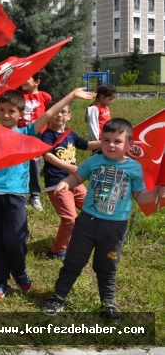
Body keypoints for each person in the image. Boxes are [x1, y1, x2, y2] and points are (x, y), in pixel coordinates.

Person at [0, 71, 95, 297]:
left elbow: (49, 112)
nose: (5, 114)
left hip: (16, 194)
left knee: (16, 237)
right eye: (2, 110)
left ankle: (19, 271)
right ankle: (0, 280)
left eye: (11, 111)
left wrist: (71, 95)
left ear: (21, 114)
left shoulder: (28, 132)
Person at [43, 118, 165, 320]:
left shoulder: (134, 168)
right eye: (106, 140)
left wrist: (154, 194)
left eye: (117, 141)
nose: (111, 145)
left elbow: (140, 196)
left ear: (129, 145)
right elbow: (77, 177)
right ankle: (58, 297)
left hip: (115, 228)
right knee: (73, 261)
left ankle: (108, 303)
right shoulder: (94, 161)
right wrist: (66, 182)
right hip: (87, 223)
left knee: (107, 266)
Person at [41, 98, 101, 261]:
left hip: (75, 181)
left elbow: (87, 145)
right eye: (55, 112)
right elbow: (46, 154)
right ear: (48, 116)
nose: (59, 115)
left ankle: (88, 238)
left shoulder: (70, 134)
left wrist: (107, 143)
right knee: (69, 219)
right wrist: (68, 167)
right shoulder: (47, 135)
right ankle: (57, 251)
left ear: (69, 116)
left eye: (63, 112)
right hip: (57, 184)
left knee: (93, 209)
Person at [19, 69, 52, 211]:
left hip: (37, 139)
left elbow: (51, 115)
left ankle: (35, 195)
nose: (23, 81)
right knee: (19, 166)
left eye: (27, 78)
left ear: (37, 82)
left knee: (35, 167)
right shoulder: (18, 96)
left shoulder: (44, 97)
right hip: (20, 137)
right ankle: (19, 194)